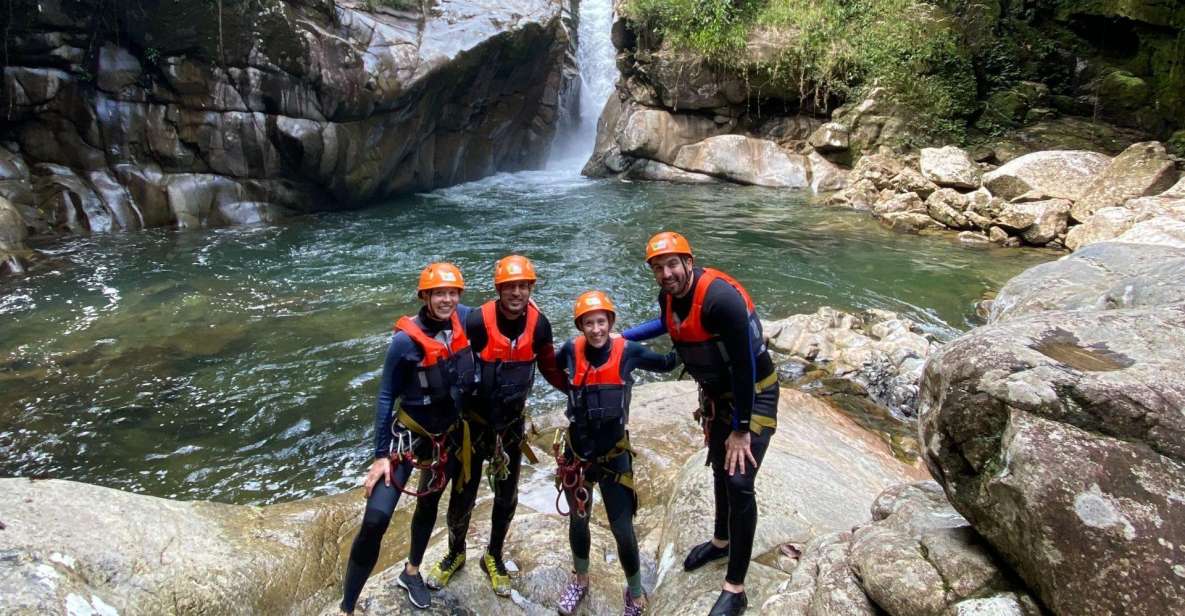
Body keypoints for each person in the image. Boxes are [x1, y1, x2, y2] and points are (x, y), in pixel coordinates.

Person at [623, 232, 779, 616]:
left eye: (672, 264)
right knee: (718, 468)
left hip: (754, 392)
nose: (666, 273)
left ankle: (736, 588)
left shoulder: (719, 299)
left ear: (689, 263)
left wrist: (742, 430)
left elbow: (744, 365)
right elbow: (664, 324)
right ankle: (721, 541)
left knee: (740, 480)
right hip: (717, 397)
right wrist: (618, 338)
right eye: (659, 268)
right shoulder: (669, 296)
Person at [425, 255, 568, 597]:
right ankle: (455, 553)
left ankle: (494, 555)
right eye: (510, 287)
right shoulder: (477, 321)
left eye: (523, 286)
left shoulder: (540, 325)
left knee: (506, 497)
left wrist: (577, 388)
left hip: (510, 428)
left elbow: (548, 367)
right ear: (499, 289)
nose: (516, 292)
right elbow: (452, 356)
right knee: (463, 495)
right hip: (473, 428)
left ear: (530, 288)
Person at [339, 262, 476, 613]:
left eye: (452, 293)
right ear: (425, 296)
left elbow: (500, 313)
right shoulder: (404, 342)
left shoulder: (463, 320)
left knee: (428, 505)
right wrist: (380, 454)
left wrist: (527, 303)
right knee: (376, 518)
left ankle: (411, 571)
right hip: (409, 436)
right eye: (439, 293)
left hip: (444, 438)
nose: (446, 300)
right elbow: (385, 396)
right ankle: (348, 606)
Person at [553, 290, 679, 616]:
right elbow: (550, 368)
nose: (596, 329)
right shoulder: (570, 350)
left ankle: (635, 594)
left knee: (623, 530)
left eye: (601, 322)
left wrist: (687, 333)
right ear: (580, 325)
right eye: (589, 323)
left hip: (614, 458)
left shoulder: (629, 352)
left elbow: (667, 363)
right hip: (578, 456)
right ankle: (580, 580)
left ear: (611, 322)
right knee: (579, 522)